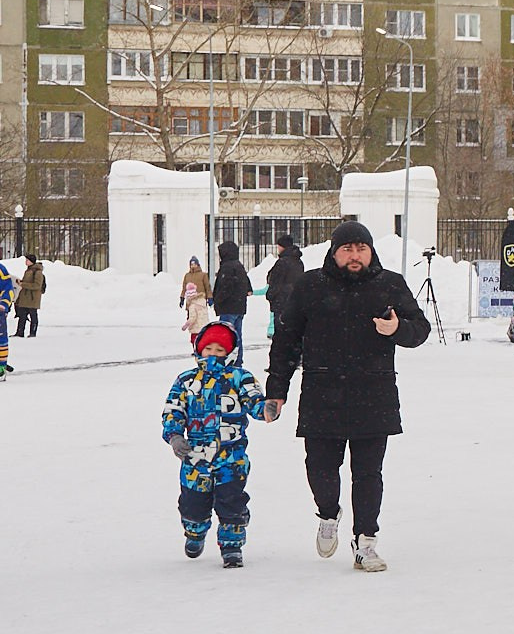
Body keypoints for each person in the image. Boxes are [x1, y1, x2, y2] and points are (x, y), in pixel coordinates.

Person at [265, 218, 430, 573]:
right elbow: (286, 341)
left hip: (374, 394)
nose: (355, 256)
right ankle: (328, 512)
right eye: (347, 249)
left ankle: (366, 542)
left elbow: (420, 330)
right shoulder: (311, 286)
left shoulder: (390, 285)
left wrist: (398, 327)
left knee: (368, 474)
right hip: (322, 394)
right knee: (320, 469)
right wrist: (276, 392)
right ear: (334, 252)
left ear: (371, 251)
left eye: (361, 249)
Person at [163, 320, 275, 568]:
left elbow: (253, 401)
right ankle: (194, 531)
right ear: (199, 349)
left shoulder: (239, 378)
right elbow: (173, 411)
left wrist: (265, 409)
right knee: (193, 504)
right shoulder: (186, 380)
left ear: (231, 352)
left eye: (220, 350)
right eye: (208, 349)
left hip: (231, 458)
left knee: (232, 503)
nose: (213, 354)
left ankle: (232, 546)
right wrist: (175, 436)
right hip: (195, 458)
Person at [210, 239, 253, 347]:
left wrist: (217, 300)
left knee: (226, 336)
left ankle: (226, 360)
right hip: (239, 307)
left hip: (228, 307)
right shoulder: (239, 266)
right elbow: (246, 283)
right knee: (237, 336)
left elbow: (225, 287)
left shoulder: (227, 267)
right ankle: (237, 360)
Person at [263, 238, 304, 338]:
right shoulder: (298, 262)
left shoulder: (282, 263)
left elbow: (275, 282)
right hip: (294, 300)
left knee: (281, 332)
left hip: (281, 301)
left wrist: (270, 295)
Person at [13, 252, 42, 339]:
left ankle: (33, 332)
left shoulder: (37, 272)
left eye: (27, 260)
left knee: (33, 315)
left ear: (31, 261)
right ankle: (19, 332)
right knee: (22, 315)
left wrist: (23, 284)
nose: (26, 261)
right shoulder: (29, 270)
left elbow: (37, 285)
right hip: (25, 297)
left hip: (32, 298)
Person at [0, 258, 14, 379]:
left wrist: (4, 304)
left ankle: (1, 366)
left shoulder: (1, 270)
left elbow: (8, 289)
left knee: (1, 340)